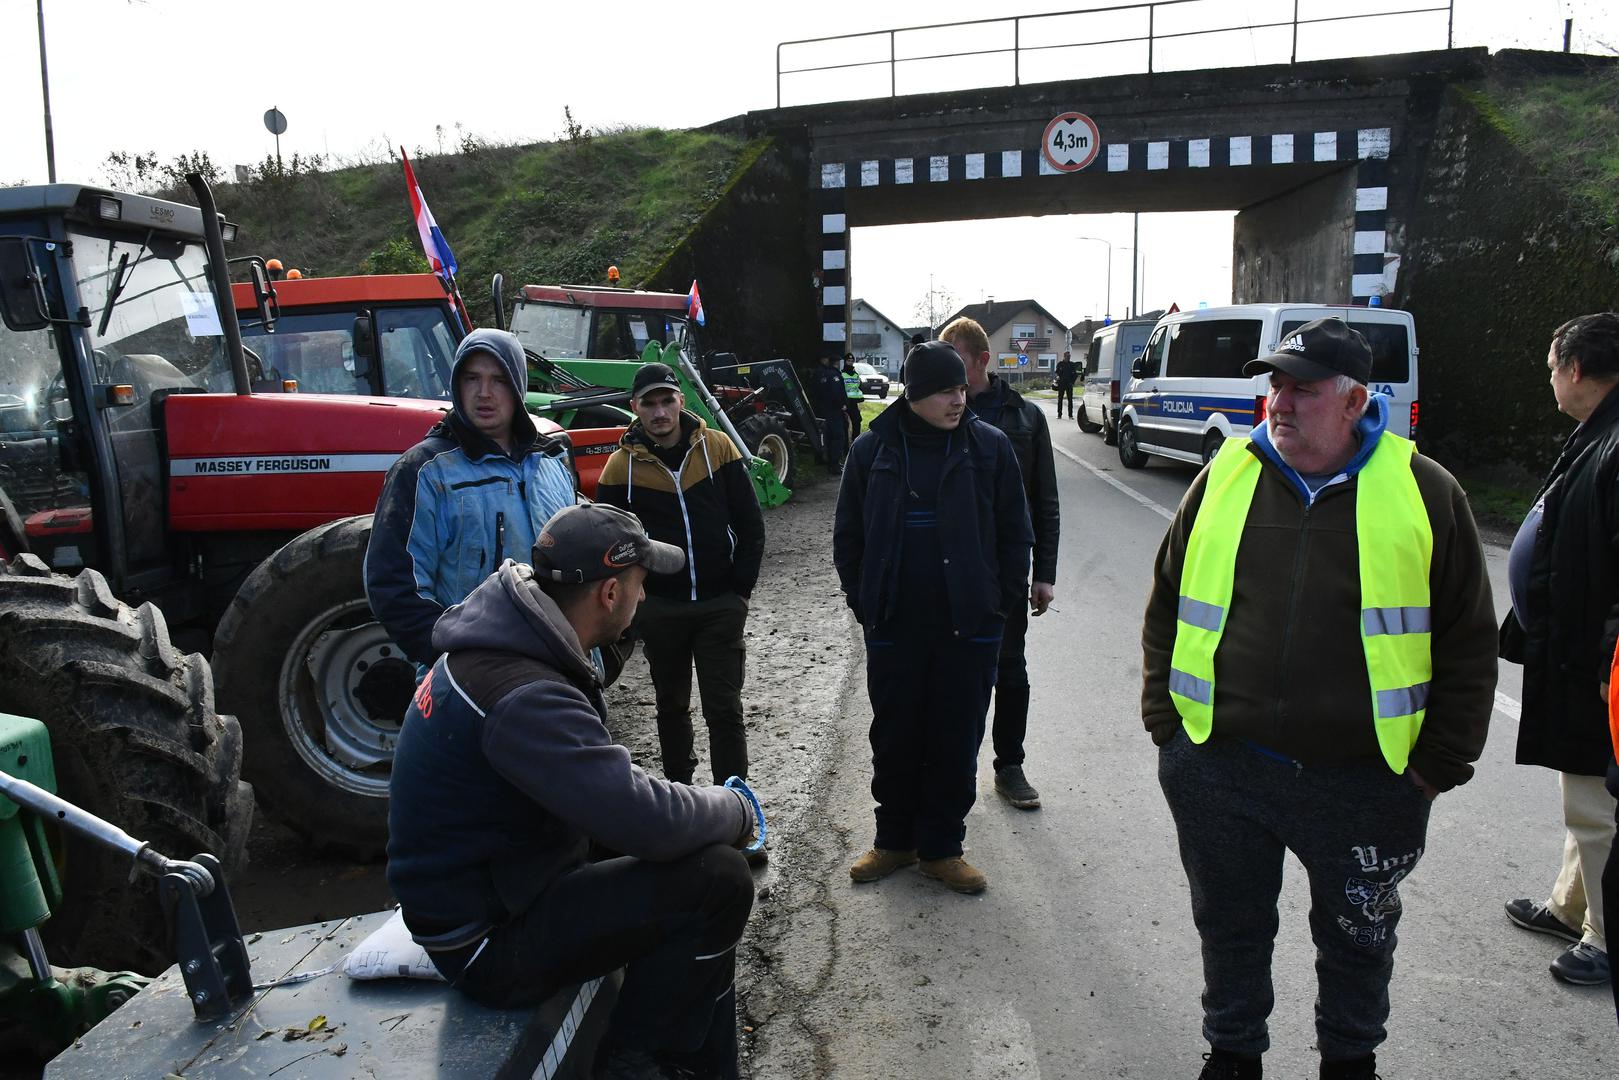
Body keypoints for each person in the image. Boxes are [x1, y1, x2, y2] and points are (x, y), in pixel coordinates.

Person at [1140, 318, 1497, 1080]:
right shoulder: (1225, 474)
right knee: (1229, 927)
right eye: (1274, 384)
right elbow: (1167, 602)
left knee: (1358, 939)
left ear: (1353, 399)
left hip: (1366, 779)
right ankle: (1232, 1054)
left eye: (1302, 387)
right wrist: (1164, 725)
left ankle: (1349, 1061)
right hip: (1221, 766)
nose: (1280, 401)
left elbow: (1468, 640)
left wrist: (1439, 762)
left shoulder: (1424, 490)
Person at [387, 503, 758, 1079]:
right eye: (639, 586)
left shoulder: (505, 643)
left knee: (687, 855)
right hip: (486, 943)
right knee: (719, 878)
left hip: (501, 884)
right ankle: (636, 1061)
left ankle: (705, 1066)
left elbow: (616, 799)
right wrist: (736, 809)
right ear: (609, 593)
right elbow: (649, 820)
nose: (642, 600)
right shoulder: (525, 694)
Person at [834, 340, 1032, 894]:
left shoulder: (989, 448)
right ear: (916, 395)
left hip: (968, 626)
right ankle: (893, 843)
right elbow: (848, 535)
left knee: (955, 737)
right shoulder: (872, 450)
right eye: (947, 390)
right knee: (895, 736)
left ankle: (943, 848)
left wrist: (1000, 606)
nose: (959, 399)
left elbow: (1016, 533)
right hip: (895, 623)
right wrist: (865, 601)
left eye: (962, 388)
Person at [1500, 312, 1619, 988]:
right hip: (1577, 654)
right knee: (1581, 794)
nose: (1549, 379)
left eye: (1550, 368)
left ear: (1574, 369)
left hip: (1601, 669)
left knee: (1597, 806)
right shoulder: (1596, 432)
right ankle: (1570, 905)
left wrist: (1609, 666)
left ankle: (1604, 938)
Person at [596, 363, 766, 796]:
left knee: (724, 709)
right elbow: (613, 547)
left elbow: (751, 525)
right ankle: (681, 802)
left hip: (719, 605)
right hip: (662, 610)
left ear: (681, 402)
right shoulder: (619, 468)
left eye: (666, 401)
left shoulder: (719, 448)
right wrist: (638, 606)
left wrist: (739, 594)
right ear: (634, 408)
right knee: (670, 707)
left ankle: (736, 808)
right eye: (648, 404)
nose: (659, 412)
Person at [366, 328, 577, 673]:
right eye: (471, 379)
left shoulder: (551, 462)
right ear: (456, 384)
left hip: (558, 666)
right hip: (471, 677)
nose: (484, 393)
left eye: (499, 380)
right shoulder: (424, 471)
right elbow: (394, 586)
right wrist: (454, 658)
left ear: (518, 387)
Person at [941, 316, 1059, 811]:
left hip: (1006, 570)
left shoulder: (1025, 418)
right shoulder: (937, 413)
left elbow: (1044, 501)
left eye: (957, 365)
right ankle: (953, 768)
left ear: (983, 361)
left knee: (1010, 669)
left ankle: (1009, 766)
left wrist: (1044, 574)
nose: (949, 379)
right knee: (953, 673)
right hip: (951, 570)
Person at [807, 351, 848, 474]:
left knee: (827, 436)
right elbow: (836, 393)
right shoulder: (835, 376)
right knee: (838, 437)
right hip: (834, 411)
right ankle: (834, 464)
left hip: (823, 410)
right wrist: (842, 405)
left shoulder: (821, 374)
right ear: (837, 362)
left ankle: (826, 460)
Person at [842, 353, 865, 439]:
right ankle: (845, 446)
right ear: (845, 362)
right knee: (844, 424)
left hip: (854, 402)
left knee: (857, 421)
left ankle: (855, 442)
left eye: (852, 361)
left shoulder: (856, 374)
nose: (850, 363)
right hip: (845, 402)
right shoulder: (842, 374)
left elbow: (860, 387)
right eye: (848, 361)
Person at [1054, 349, 1079, 419]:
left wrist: (1072, 382)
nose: (1068, 358)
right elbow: (1057, 373)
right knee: (1060, 399)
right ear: (1064, 356)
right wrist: (1058, 379)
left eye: (1069, 356)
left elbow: (1075, 374)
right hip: (1061, 384)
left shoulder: (1071, 365)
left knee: (1070, 400)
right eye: (1067, 356)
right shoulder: (1060, 364)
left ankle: (1070, 415)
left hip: (1069, 384)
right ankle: (1059, 414)